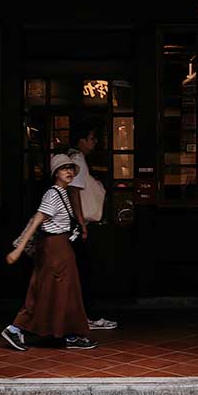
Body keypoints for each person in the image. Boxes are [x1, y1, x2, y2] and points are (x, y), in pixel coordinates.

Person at [2, 153, 97, 353]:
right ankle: (17, 328)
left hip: (59, 246)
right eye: (64, 169)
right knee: (51, 290)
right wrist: (18, 250)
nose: (69, 171)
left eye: (71, 168)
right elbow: (37, 220)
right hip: (55, 248)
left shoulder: (63, 192)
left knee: (59, 291)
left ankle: (68, 333)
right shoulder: (53, 194)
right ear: (55, 173)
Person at [68, 129, 118, 331]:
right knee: (85, 272)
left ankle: (85, 315)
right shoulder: (77, 159)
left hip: (78, 224)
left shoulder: (77, 158)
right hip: (79, 225)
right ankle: (88, 316)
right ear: (81, 140)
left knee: (82, 271)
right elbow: (74, 192)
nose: (95, 142)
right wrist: (80, 222)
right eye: (91, 138)